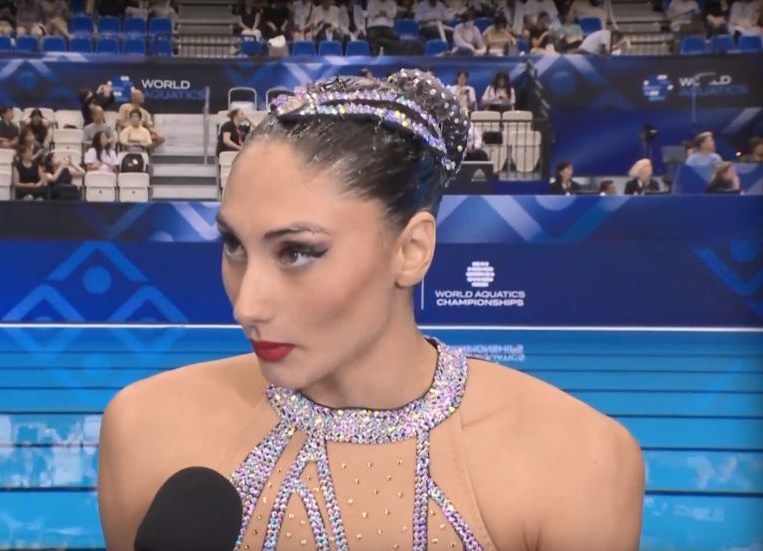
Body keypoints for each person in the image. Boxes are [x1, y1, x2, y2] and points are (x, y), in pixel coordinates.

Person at [97, 70, 645, 551]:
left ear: (411, 250)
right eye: (234, 245)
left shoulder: (578, 463)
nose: (247, 305)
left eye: (297, 252)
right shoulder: (145, 430)